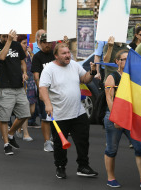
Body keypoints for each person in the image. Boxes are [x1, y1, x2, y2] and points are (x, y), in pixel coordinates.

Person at [39, 42, 98, 179]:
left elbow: (85, 79)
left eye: (68, 52)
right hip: (59, 114)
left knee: (83, 141)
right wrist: (48, 104)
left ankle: (83, 166)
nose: (67, 55)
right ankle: (60, 167)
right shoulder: (49, 69)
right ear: (56, 55)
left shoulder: (74, 65)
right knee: (60, 144)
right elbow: (43, 88)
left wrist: (92, 72)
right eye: (64, 53)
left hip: (78, 111)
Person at [103, 49, 141, 188]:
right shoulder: (112, 77)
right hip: (114, 118)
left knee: (140, 147)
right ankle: (111, 178)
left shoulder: (136, 77)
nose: (127, 62)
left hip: (132, 117)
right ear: (117, 62)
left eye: (129, 59)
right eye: (124, 59)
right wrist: (116, 118)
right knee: (111, 149)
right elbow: (109, 98)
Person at [0, 30, 31, 155]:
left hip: (18, 86)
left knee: (25, 113)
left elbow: (22, 61)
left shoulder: (16, 45)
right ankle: (6, 144)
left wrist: (24, 72)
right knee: (4, 118)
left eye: (7, 36)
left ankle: (10, 134)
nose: (5, 38)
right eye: (3, 36)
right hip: (5, 87)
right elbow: (2, 57)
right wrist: (9, 41)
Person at [31, 33, 54, 152]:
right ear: (40, 43)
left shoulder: (55, 55)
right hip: (45, 91)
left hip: (57, 91)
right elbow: (36, 75)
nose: (48, 45)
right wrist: (40, 90)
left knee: (58, 116)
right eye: (45, 42)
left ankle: (56, 138)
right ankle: (47, 141)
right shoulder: (37, 57)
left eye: (49, 42)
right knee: (46, 118)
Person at [16, 35, 36, 141]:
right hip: (23, 83)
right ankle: (26, 134)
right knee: (25, 110)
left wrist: (31, 53)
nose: (25, 45)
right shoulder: (18, 55)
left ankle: (18, 126)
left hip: (31, 82)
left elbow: (35, 65)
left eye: (26, 43)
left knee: (32, 110)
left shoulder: (29, 54)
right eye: (23, 43)